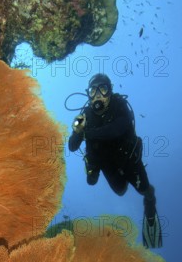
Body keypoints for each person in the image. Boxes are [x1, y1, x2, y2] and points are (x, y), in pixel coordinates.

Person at [68, 73, 162, 248]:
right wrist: (77, 131)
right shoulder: (84, 116)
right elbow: (72, 146)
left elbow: (117, 129)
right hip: (106, 165)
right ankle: (94, 168)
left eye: (102, 89)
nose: (97, 95)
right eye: (93, 91)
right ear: (88, 94)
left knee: (146, 191)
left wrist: (86, 133)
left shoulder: (120, 105)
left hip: (129, 161)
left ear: (110, 92)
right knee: (119, 191)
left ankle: (150, 204)